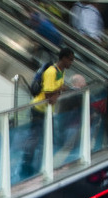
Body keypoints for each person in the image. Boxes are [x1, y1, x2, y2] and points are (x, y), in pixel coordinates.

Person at [23, 48, 75, 177]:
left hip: (48, 110)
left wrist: (58, 92)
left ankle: (40, 165)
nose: (71, 62)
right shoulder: (51, 72)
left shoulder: (60, 72)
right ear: (63, 58)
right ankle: (26, 164)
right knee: (35, 138)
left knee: (46, 138)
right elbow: (47, 93)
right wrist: (60, 89)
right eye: (70, 59)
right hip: (39, 109)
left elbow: (54, 93)